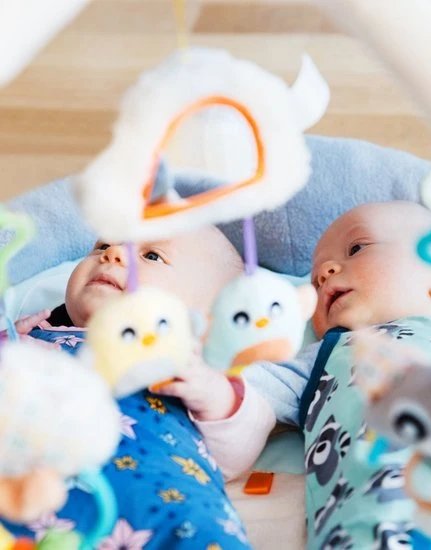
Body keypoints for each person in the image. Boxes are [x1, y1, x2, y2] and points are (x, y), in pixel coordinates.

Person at [242, 201, 431, 549]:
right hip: (380, 520)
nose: (324, 273)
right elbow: (245, 388)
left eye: (356, 248)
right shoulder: (322, 356)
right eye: (314, 282)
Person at [8, 226, 276, 550]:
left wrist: (214, 394)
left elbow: (241, 448)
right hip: (25, 497)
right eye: (102, 245)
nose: (113, 253)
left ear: (207, 318)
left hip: (164, 505)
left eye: (152, 256)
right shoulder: (29, 338)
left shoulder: (191, 363)